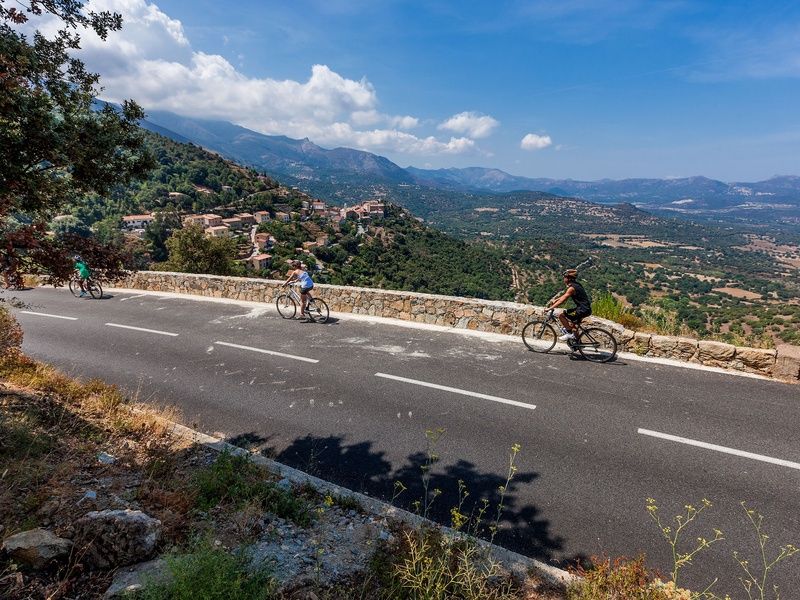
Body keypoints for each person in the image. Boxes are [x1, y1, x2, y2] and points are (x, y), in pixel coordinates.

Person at [547, 268, 592, 342]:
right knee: (572, 325)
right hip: (585, 309)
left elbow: (563, 300)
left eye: (565, 277)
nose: (563, 279)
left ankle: (569, 333)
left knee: (561, 316)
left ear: (569, 278)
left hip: (582, 310)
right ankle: (577, 343)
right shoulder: (576, 285)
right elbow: (564, 296)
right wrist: (556, 300)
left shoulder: (572, 288)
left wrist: (550, 308)